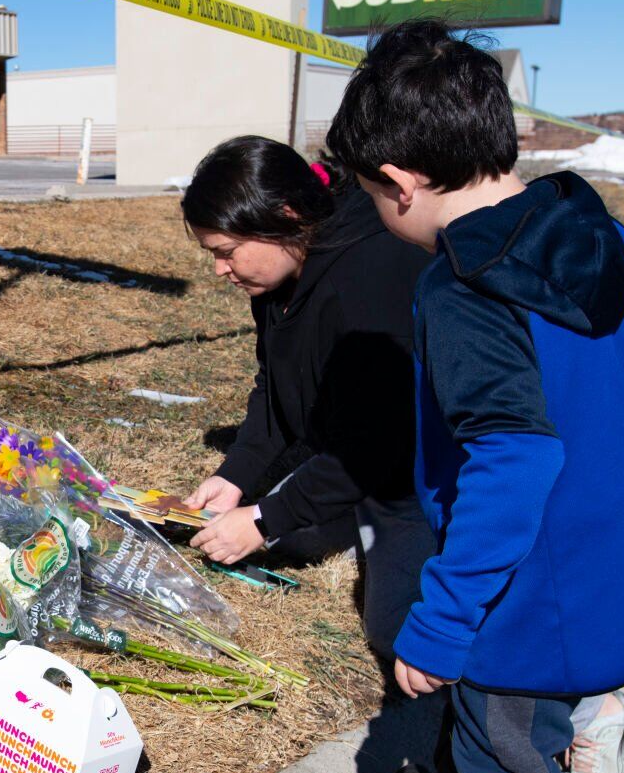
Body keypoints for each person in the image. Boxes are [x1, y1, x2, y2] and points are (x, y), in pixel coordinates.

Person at [326, 19, 624, 773]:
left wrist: (440, 623)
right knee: (501, 746)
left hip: (533, 591)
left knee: (512, 772)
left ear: (399, 182)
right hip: (611, 555)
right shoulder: (590, 229)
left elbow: (513, 464)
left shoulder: (464, 288)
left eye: (368, 194)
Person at [177, 134, 434, 658]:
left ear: (285, 216)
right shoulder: (276, 276)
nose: (219, 270)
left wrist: (262, 519)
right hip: (348, 452)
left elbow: (376, 443)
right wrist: (236, 476)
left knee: (401, 633)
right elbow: (274, 386)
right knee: (284, 535)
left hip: (413, 474)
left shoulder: (368, 280)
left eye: (226, 252)